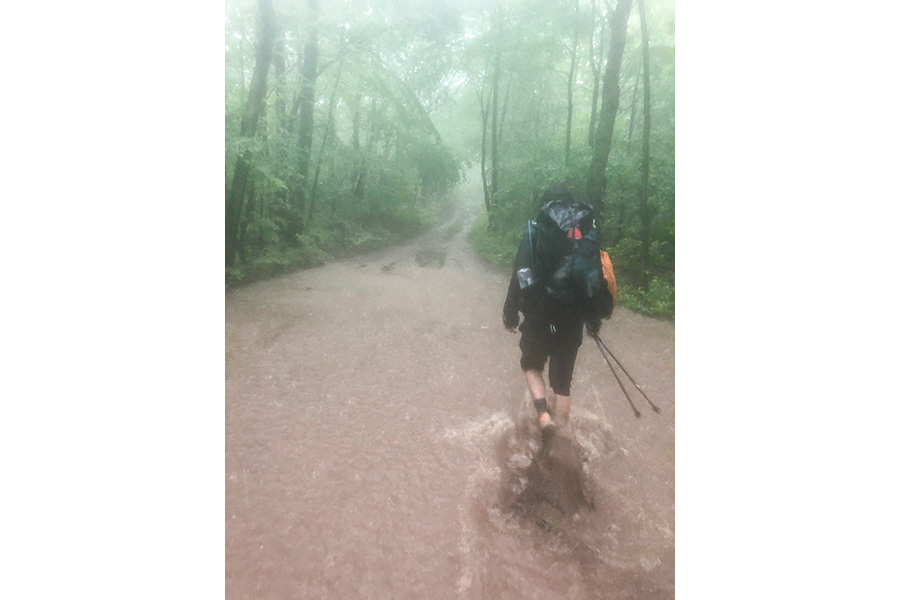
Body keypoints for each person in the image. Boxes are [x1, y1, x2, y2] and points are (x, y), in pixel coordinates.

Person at [502, 181, 614, 431]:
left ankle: (543, 417)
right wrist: (593, 318)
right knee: (562, 383)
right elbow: (594, 276)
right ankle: (561, 438)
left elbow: (521, 272)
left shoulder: (536, 229)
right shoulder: (584, 231)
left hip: (540, 313)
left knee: (531, 364)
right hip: (572, 316)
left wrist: (510, 312)